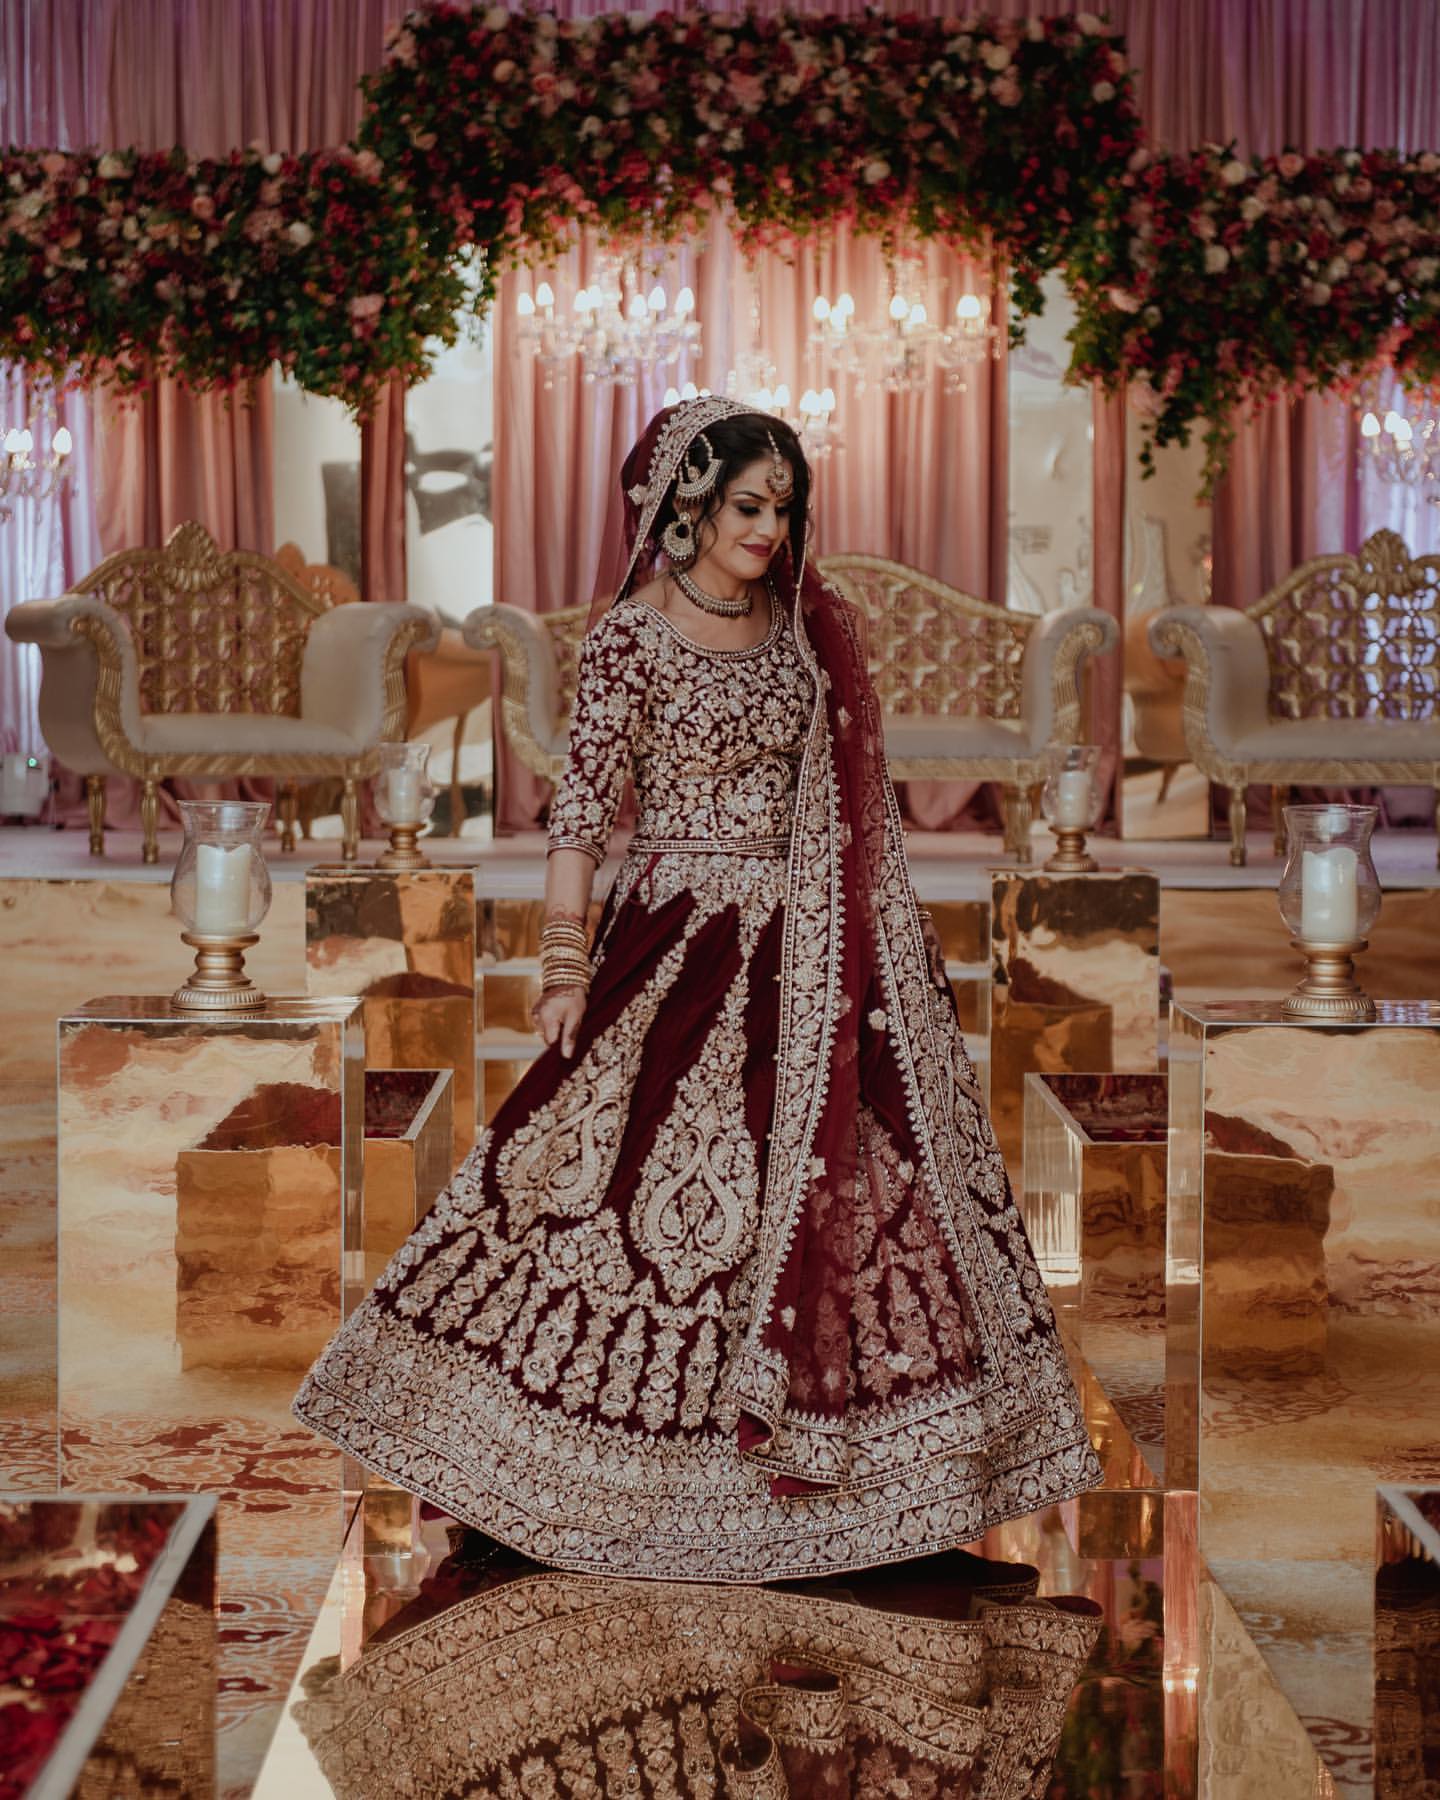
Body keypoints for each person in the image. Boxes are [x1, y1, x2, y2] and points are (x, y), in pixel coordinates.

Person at [294, 396, 1102, 1581]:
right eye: (747, 506)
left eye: (783, 507)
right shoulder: (633, 635)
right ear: (686, 505)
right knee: (597, 1182)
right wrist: (563, 961)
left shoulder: (808, 626)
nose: (769, 528)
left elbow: (850, 804)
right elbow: (579, 813)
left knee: (865, 1184)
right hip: (675, 938)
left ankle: (880, 1488)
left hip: (815, 954)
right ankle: (559, 1468)